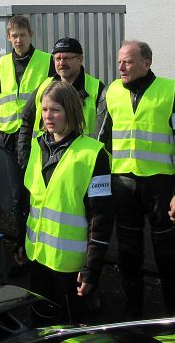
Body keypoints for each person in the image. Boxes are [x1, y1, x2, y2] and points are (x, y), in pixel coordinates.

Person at [96, 40, 175, 318]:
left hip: (160, 187)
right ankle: (133, 308)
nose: (121, 67)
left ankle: (173, 307)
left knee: (166, 252)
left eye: (128, 61)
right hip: (122, 185)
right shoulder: (110, 92)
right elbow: (100, 143)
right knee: (128, 252)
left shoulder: (172, 91)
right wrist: (98, 186)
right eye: (119, 61)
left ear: (147, 62)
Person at [14, 82, 113, 324]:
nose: (48, 116)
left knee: (68, 324)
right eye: (44, 109)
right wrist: (20, 241)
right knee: (39, 317)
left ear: (71, 110)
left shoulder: (93, 154)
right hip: (37, 255)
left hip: (69, 265)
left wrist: (92, 268)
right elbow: (30, 201)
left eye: (55, 110)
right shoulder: (37, 146)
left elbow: (101, 218)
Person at [0, 15, 54, 225]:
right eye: (14, 36)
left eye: (22, 35)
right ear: (9, 38)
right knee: (17, 194)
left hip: (37, 139)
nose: (19, 40)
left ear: (31, 35)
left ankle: (38, 235)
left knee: (37, 190)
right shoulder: (2, 63)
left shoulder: (47, 61)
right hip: (9, 138)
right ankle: (21, 240)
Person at [17, 37, 104, 168]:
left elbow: (106, 131)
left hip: (83, 161)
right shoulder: (44, 87)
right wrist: (25, 159)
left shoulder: (97, 88)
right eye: (58, 59)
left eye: (66, 58)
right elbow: (26, 121)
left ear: (80, 59)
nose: (61, 63)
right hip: (46, 160)